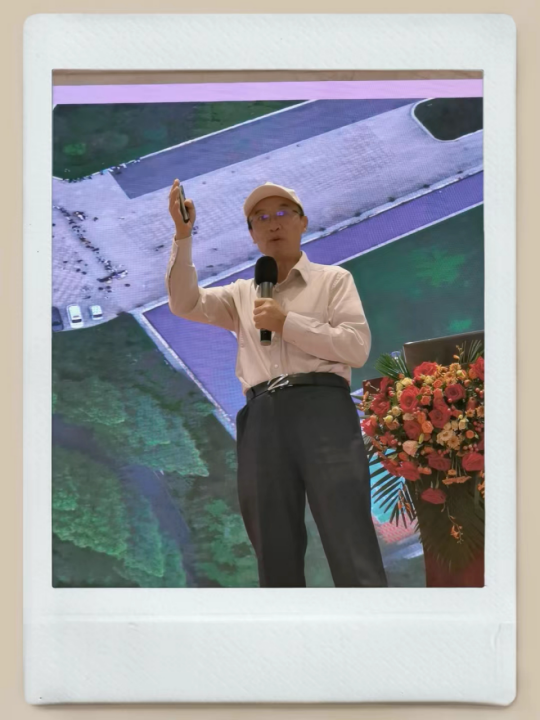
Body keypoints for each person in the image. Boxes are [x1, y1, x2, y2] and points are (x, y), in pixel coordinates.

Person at [165, 179, 388, 588]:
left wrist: (286, 323)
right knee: (273, 547)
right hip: (262, 416)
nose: (273, 223)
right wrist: (183, 235)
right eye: (261, 218)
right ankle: (283, 627)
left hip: (323, 408)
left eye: (283, 213)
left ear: (303, 222)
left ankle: (368, 622)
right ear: (252, 234)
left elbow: (355, 348)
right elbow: (184, 303)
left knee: (349, 535)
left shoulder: (333, 280)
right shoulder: (240, 294)